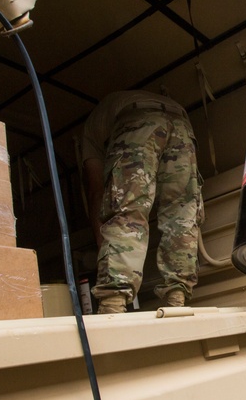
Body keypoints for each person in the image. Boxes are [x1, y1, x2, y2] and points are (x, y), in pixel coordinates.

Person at [77, 91, 204, 314]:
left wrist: (103, 246)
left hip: (138, 121)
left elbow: (97, 191)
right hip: (183, 124)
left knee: (127, 209)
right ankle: (177, 300)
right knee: (182, 213)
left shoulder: (89, 134)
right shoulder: (111, 108)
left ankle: (112, 305)